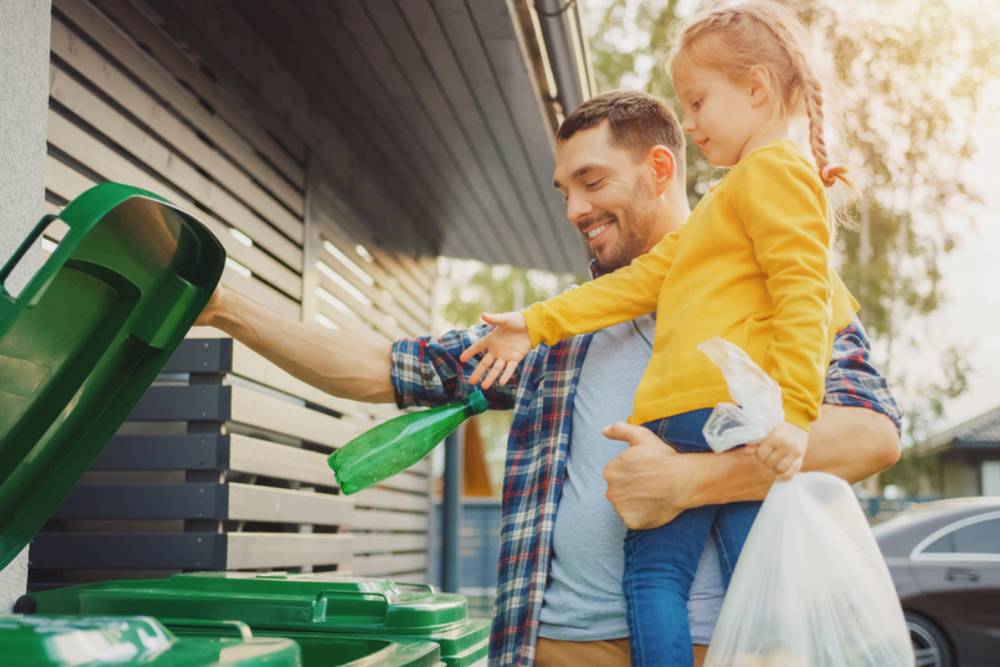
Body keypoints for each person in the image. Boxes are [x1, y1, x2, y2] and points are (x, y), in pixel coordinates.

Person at [195, 90, 901, 666]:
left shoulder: (779, 288)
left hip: (717, 647)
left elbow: (871, 437)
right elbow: (384, 368)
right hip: (556, 647)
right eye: (565, 189)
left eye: (592, 182)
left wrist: (691, 481)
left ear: (661, 169)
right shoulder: (555, 331)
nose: (574, 211)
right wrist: (226, 306)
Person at [460, 4, 872, 666]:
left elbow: (805, 294)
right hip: (722, 420)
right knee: (757, 575)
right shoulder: (731, 200)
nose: (690, 121)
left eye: (699, 101)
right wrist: (535, 323)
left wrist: (794, 415)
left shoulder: (771, 174)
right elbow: (642, 282)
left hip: (693, 415)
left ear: (758, 88)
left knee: (656, 577)